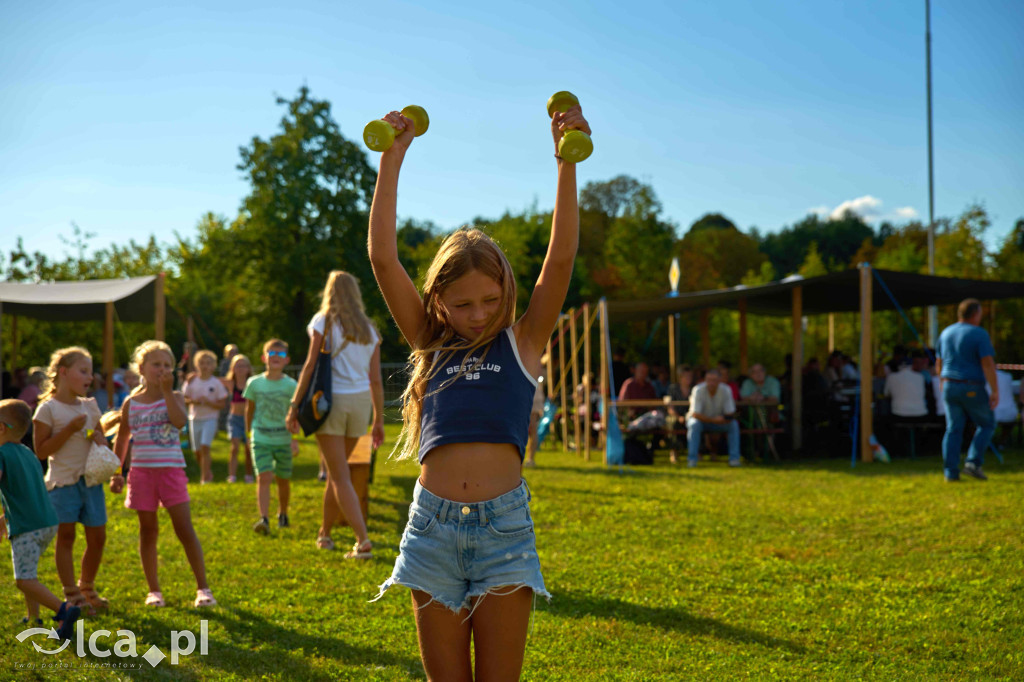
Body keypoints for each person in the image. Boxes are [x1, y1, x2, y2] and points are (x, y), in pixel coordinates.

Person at [366, 102, 588, 680]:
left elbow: (561, 256)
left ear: (506, 290)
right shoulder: (428, 342)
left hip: (503, 531)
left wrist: (565, 163)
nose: (479, 314)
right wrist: (392, 159)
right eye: (462, 304)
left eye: (490, 300)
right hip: (431, 530)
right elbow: (383, 258)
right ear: (437, 300)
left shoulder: (523, 341)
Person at [287, 271, 384, 555]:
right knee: (336, 473)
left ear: (329, 291)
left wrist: (294, 406)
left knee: (340, 476)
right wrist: (378, 419)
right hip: (361, 405)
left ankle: (362, 541)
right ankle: (325, 533)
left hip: (330, 403)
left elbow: (309, 366)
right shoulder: (370, 329)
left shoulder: (323, 321)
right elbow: (376, 380)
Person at [113, 340, 215, 607]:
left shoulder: (176, 397)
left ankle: (203, 588)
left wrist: (168, 392)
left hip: (170, 472)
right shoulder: (131, 403)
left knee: (184, 528)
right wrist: (116, 471)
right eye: (156, 364)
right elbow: (122, 439)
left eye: (167, 365)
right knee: (148, 531)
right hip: (141, 475)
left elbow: (180, 422)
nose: (162, 369)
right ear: (141, 369)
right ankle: (154, 591)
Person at [32, 346, 110, 615]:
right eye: (84, 371)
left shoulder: (90, 406)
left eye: (91, 371)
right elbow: (41, 451)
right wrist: (69, 430)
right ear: (63, 372)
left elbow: (98, 437)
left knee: (98, 537)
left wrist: (100, 440)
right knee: (66, 537)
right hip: (63, 483)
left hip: (91, 482)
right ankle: (72, 593)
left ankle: (87, 586)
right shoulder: (47, 409)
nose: (90, 377)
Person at [0, 399, 81, 639]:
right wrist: (5, 518)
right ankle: (33, 616)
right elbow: (26, 492)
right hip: (46, 522)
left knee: (24, 580)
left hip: (27, 527)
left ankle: (63, 610)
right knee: (29, 571)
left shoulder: (2, 454)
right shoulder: (28, 454)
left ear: (1, 428)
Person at [936, 298, 998, 482]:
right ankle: (973, 463)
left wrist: (942, 382)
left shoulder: (946, 332)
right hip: (971, 385)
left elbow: (939, 362)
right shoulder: (978, 333)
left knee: (953, 429)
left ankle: (950, 472)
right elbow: (987, 363)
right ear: (976, 314)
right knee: (987, 424)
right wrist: (995, 390)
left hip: (949, 385)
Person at [245, 339, 300, 535]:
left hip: (283, 439)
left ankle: (282, 513)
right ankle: (264, 518)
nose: (276, 357)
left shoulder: (291, 385)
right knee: (264, 476)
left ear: (287, 360)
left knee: (283, 479)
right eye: (272, 353)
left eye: (281, 354)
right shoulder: (254, 383)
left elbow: (295, 415)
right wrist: (248, 434)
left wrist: (294, 439)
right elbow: (249, 410)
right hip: (260, 438)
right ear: (264, 357)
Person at [182, 350, 228, 484]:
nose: (205, 366)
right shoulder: (191, 381)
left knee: (205, 447)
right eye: (202, 363)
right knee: (197, 451)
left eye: (208, 363)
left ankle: (204, 479)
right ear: (196, 365)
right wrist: (193, 401)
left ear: (213, 366)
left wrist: (209, 402)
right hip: (194, 418)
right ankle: (207, 472)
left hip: (210, 419)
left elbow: (222, 404)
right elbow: (184, 399)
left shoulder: (216, 383)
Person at [686, 368, 741, 467]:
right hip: (701, 422)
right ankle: (692, 459)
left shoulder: (726, 390)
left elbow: (730, 413)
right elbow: (695, 414)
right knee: (694, 424)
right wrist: (713, 420)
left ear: (720, 380)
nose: (711, 383)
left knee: (733, 425)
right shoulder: (698, 389)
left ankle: (734, 459)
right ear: (705, 380)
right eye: (709, 380)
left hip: (719, 423)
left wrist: (720, 420)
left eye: (714, 380)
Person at [222, 354, 255, 484]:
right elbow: (210, 379)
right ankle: (232, 476)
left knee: (248, 448)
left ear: (248, 368)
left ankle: (248, 475)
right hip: (234, 419)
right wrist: (193, 376)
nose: (240, 369)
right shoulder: (231, 383)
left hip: (249, 420)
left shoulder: (252, 383)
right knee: (234, 447)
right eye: (237, 366)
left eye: (243, 366)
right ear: (232, 368)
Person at [666, 365, 694, 464]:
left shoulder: (694, 389)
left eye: (690, 376)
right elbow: (670, 407)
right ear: (680, 377)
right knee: (673, 423)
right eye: (686, 376)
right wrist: (678, 417)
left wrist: (688, 417)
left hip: (691, 416)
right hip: (675, 415)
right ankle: (674, 451)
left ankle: (696, 452)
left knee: (696, 423)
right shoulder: (673, 389)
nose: (689, 378)